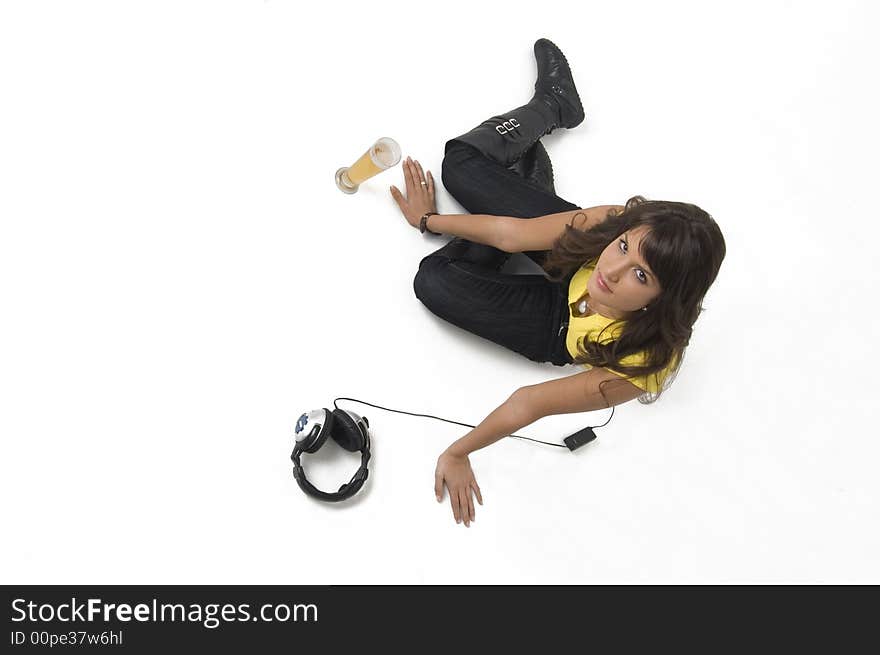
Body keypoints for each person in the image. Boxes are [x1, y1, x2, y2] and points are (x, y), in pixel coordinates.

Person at [389, 38, 726, 528]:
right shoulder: (615, 227)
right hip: (570, 256)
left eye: (640, 275)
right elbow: (513, 235)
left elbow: (530, 403)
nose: (612, 272)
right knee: (459, 163)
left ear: (663, 298)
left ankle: (528, 187)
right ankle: (553, 105)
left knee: (433, 281)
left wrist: (458, 453)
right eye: (627, 248)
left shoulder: (644, 359)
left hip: (555, 327)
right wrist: (428, 222)